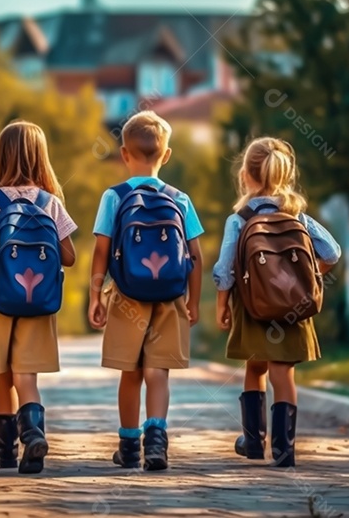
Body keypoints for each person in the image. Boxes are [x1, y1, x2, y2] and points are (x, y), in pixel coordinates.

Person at [213, 137, 341, 468]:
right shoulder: (298, 217)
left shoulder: (239, 219)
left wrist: (222, 304)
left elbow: (225, 270)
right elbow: (332, 253)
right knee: (283, 373)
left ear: (245, 174)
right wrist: (308, 276)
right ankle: (284, 451)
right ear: (284, 174)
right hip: (292, 309)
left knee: (255, 367)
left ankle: (253, 442)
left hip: (254, 306)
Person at [88, 111, 204, 471]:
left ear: (124, 154)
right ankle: (156, 441)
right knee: (158, 373)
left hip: (126, 296)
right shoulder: (180, 199)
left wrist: (96, 296)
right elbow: (196, 256)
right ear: (166, 155)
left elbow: (101, 251)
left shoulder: (114, 196)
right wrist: (193, 300)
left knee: (131, 372)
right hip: (170, 297)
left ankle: (128, 446)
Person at [0, 121, 78, 474]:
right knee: (26, 376)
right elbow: (69, 257)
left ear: (0, 157)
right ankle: (33, 434)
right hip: (38, 305)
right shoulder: (50, 203)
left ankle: (6, 451)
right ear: (41, 158)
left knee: (3, 375)